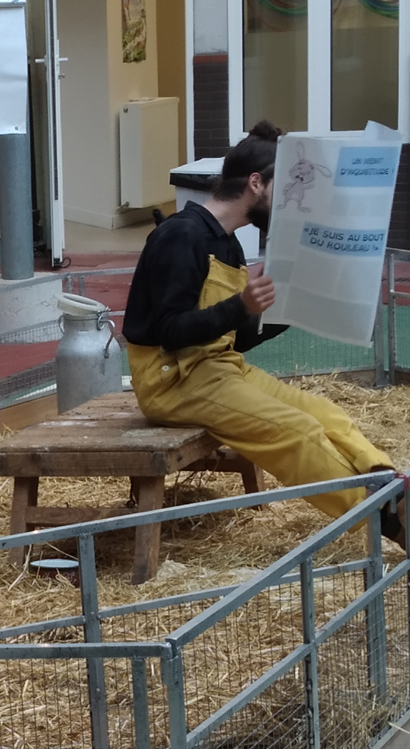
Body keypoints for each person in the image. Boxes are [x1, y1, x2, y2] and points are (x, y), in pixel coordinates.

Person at [122, 120, 404, 546]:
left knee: (326, 415)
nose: (295, 201)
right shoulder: (180, 237)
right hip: (171, 381)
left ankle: (390, 484)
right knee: (296, 430)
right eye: (286, 186)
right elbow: (170, 332)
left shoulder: (229, 243)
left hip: (218, 366)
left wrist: (294, 307)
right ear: (257, 183)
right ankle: (387, 519)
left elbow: (237, 336)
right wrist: (241, 305)